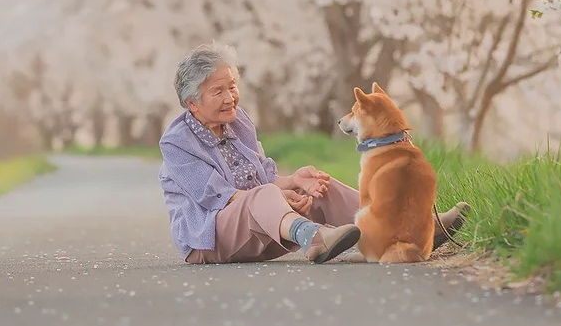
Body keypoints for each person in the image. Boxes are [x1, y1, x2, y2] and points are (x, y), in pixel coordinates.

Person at [158, 43, 467, 264]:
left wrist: (294, 181)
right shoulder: (176, 143)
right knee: (265, 195)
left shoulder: (238, 121)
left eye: (233, 86)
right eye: (218, 91)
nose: (231, 97)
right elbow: (219, 197)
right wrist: (277, 195)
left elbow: (262, 179)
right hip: (210, 241)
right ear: (192, 103)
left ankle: (416, 228)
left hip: (265, 231)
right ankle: (315, 238)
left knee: (320, 186)